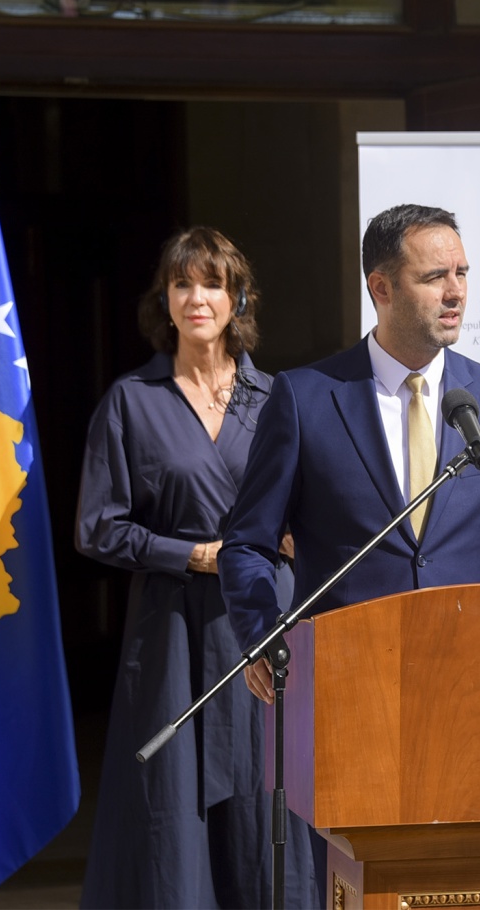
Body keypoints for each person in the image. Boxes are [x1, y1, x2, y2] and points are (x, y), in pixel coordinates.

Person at [219, 203, 480, 907]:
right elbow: (248, 544)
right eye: (434, 277)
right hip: (350, 694)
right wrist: (261, 633)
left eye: (462, 274)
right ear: (381, 287)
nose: (456, 292)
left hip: (476, 695)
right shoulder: (307, 397)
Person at [76, 227, 288, 909]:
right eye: (182, 284)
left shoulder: (275, 399)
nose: (198, 298)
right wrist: (191, 554)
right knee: (171, 809)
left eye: (213, 284)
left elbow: (312, 507)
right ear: (164, 301)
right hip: (171, 630)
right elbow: (97, 527)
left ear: (237, 298)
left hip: (259, 623)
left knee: (264, 802)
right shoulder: (131, 400)